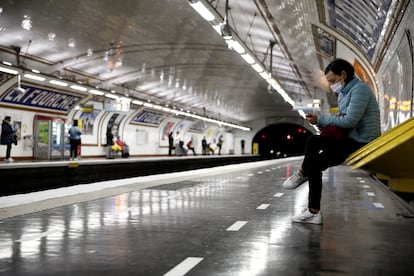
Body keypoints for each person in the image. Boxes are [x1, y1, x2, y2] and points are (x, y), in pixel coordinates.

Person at [283, 58, 381, 224]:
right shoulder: (344, 93)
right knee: (314, 161)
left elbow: (350, 121)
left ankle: (302, 173)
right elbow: (343, 119)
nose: (330, 85)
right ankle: (313, 211)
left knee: (313, 142)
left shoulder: (360, 90)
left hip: (362, 141)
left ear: (343, 75)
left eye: (332, 81)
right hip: (350, 139)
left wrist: (321, 120)